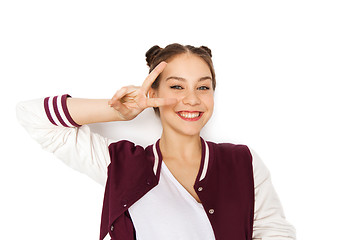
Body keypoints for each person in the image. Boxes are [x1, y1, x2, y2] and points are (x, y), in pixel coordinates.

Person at [16, 43, 296, 240]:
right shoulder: (120, 164)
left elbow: (275, 232)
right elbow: (32, 115)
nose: (192, 99)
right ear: (153, 94)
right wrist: (117, 110)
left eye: (203, 86)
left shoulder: (243, 161)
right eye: (176, 86)